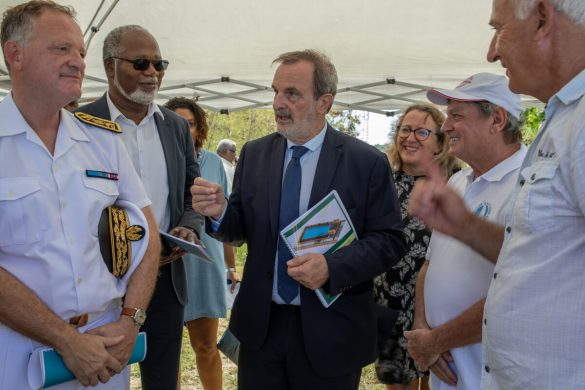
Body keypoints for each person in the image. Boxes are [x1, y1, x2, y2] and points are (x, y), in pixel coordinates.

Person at [191, 49, 405, 389]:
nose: (278, 103)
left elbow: (389, 241)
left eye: (292, 94)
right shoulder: (256, 153)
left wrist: (331, 268)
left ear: (324, 102)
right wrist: (219, 213)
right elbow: (241, 227)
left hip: (331, 332)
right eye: (276, 91)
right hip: (263, 329)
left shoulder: (366, 162)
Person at [408, 0, 585, 388]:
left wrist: (438, 339)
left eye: (498, 29)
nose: (492, 51)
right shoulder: (564, 119)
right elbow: (531, 258)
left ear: (541, 18)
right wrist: (465, 226)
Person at [0, 1, 160, 389]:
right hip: (20, 356)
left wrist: (130, 319)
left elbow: (148, 233)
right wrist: (64, 339)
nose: (78, 61)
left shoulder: (102, 139)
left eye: (81, 52)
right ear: (14, 55)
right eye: (61, 49)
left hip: (108, 350)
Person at [77, 25, 203, 390]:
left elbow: (190, 195)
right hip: (101, 282)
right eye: (142, 63)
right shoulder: (78, 124)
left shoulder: (177, 127)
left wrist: (190, 227)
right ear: (109, 66)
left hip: (164, 279)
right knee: (99, 378)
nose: (153, 73)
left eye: (159, 64)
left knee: (163, 379)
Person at [404, 73, 525, 390]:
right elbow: (430, 265)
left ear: (497, 120)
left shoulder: (527, 187)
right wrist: (421, 326)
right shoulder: (458, 181)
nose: (445, 127)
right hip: (447, 369)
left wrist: (435, 340)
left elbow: (519, 291)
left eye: (456, 116)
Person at [373, 104, 460, 390]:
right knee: (397, 382)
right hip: (389, 303)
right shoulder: (382, 181)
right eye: (405, 130)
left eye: (422, 131)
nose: (410, 137)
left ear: (439, 143)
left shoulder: (458, 183)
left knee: (437, 382)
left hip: (437, 305)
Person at [165, 97, 240, 390]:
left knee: (205, 346)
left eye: (191, 124)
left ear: (199, 129)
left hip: (204, 263)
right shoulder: (154, 159)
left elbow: (226, 216)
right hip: (166, 262)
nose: (185, 129)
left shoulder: (212, 162)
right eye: (177, 123)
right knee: (166, 351)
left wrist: (231, 267)